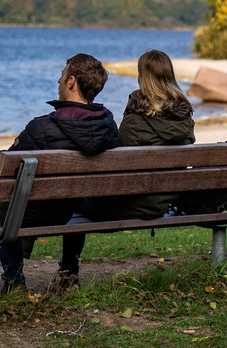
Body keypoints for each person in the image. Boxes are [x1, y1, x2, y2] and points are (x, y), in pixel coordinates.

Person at [0, 53, 120, 292]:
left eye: (62, 75)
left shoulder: (43, 128)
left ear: (71, 82)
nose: (58, 81)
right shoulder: (107, 126)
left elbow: (0, 170)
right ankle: (14, 280)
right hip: (65, 211)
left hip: (21, 210)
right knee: (15, 200)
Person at [54, 49, 195, 290]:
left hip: (125, 204)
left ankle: (69, 273)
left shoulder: (135, 121)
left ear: (142, 77)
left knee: (71, 196)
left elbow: (117, 167)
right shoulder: (185, 120)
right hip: (160, 203)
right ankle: (68, 272)